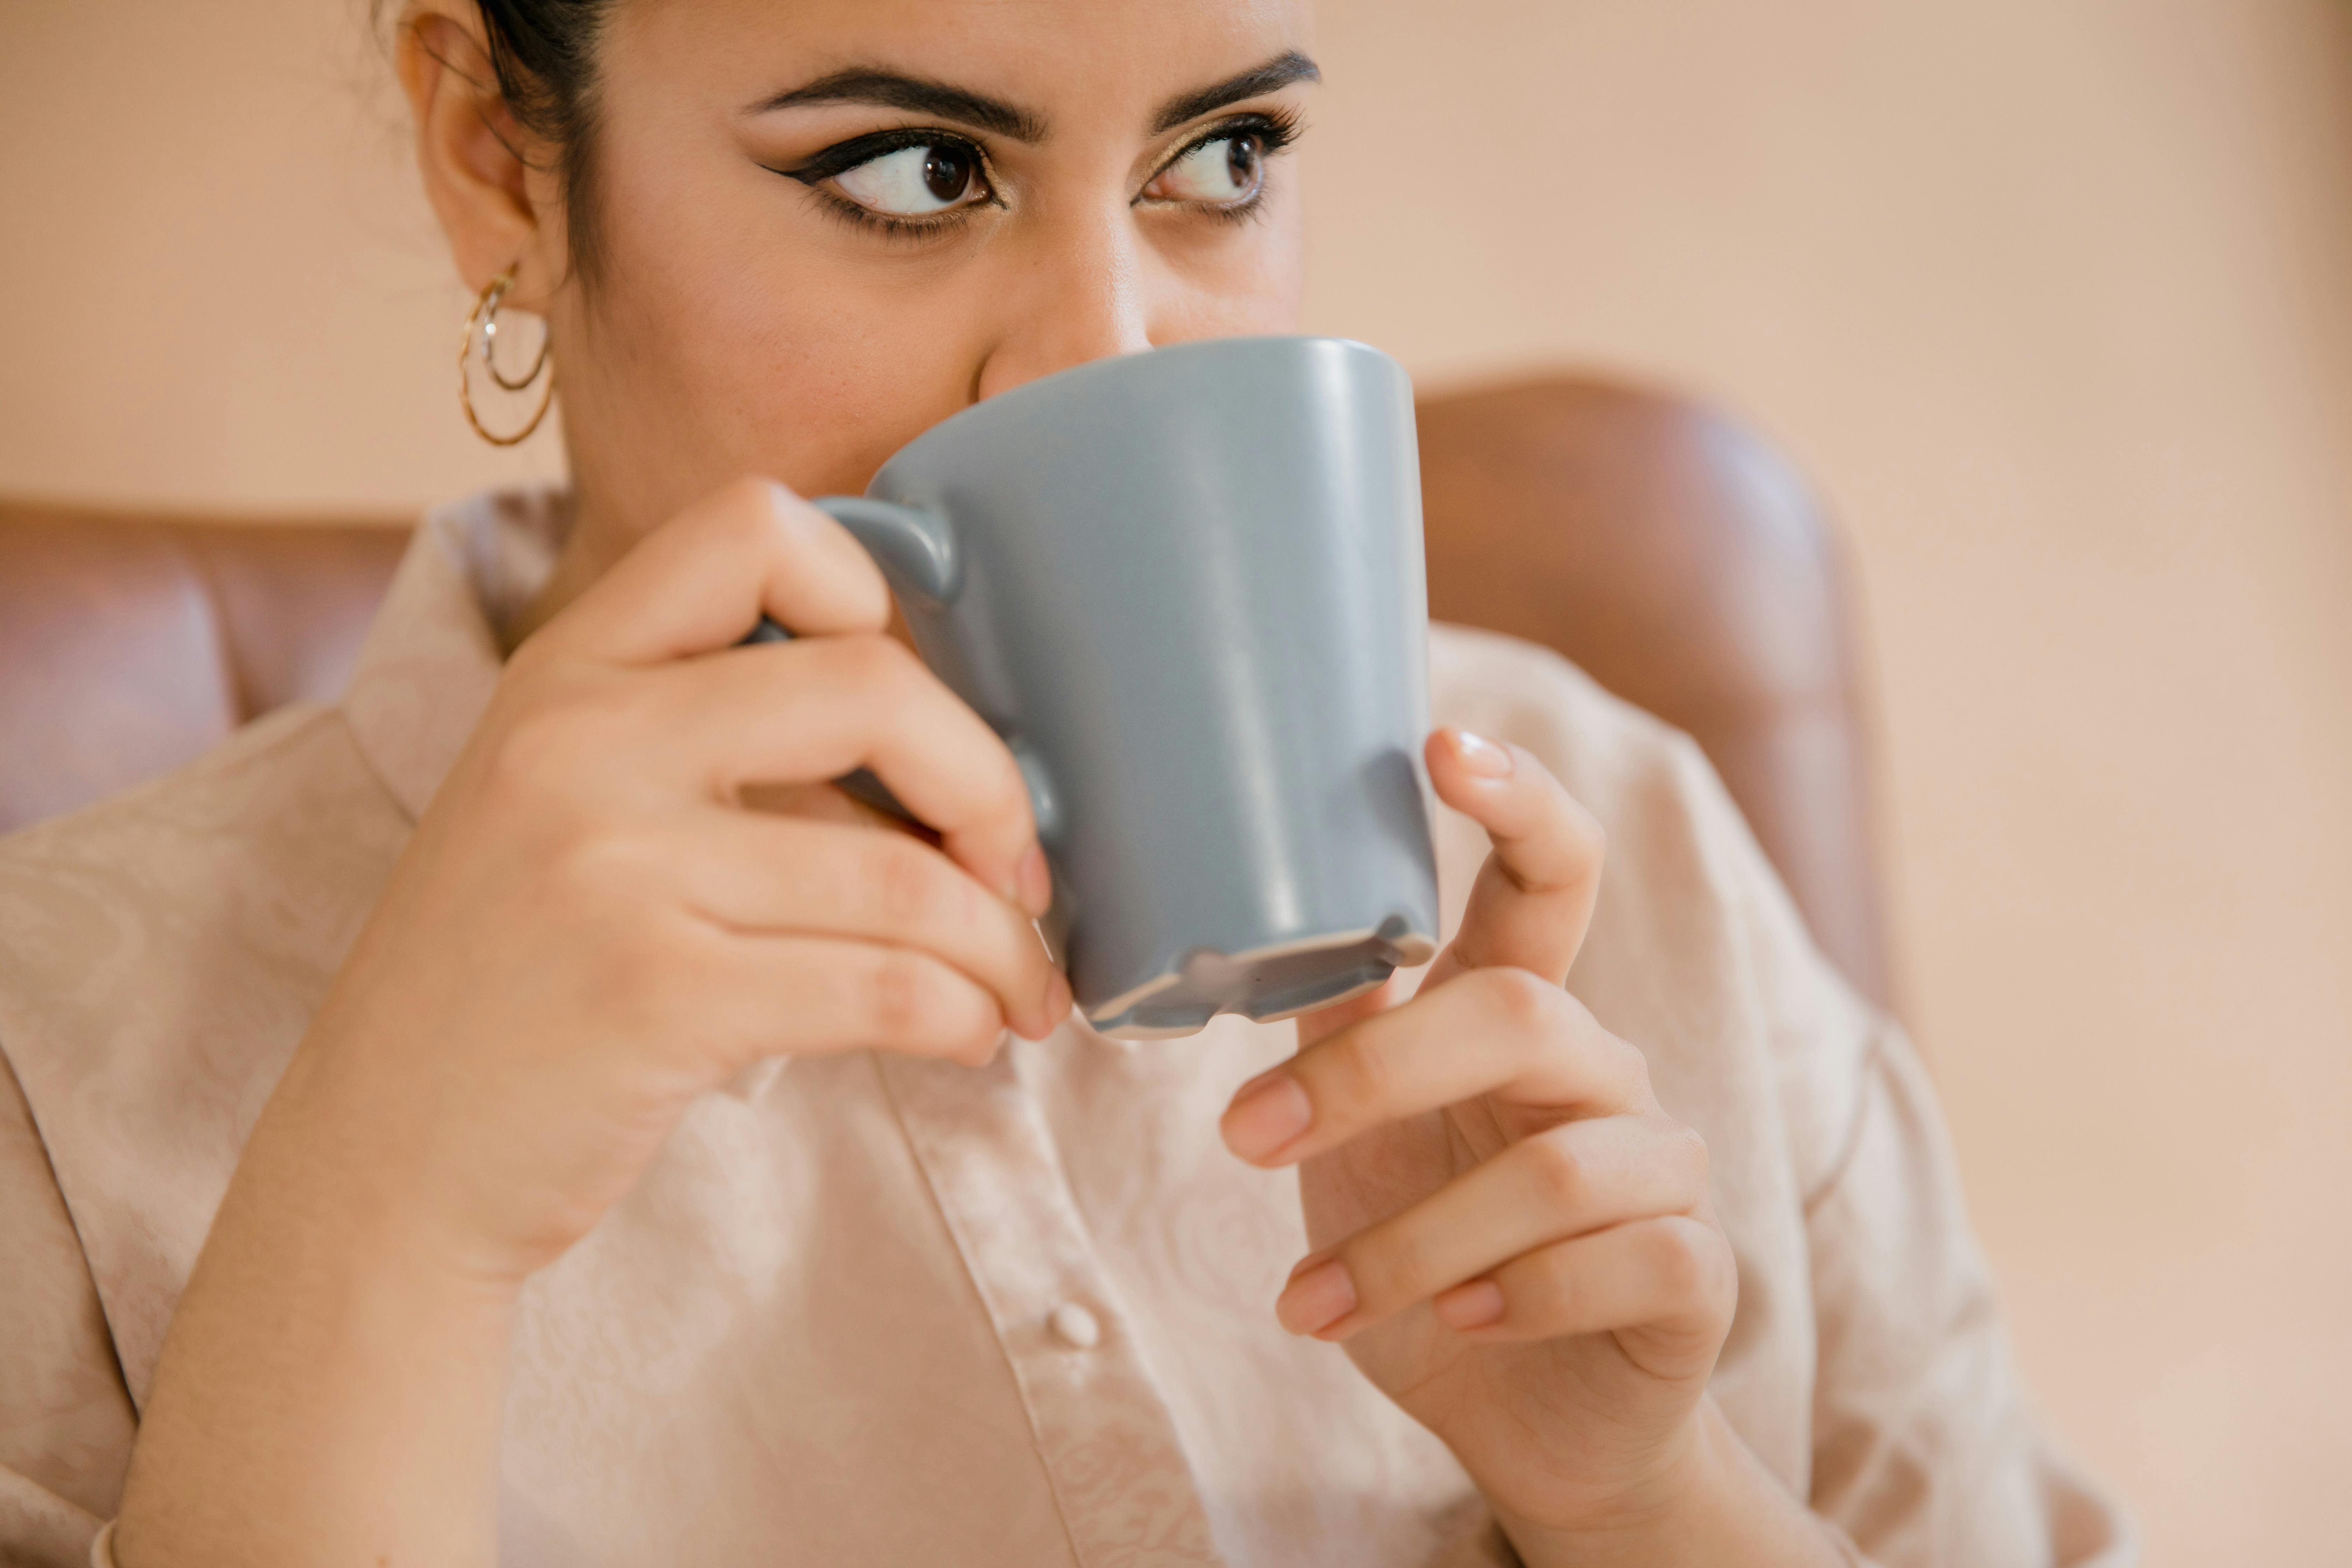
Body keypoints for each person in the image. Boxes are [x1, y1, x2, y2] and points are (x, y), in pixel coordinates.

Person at [0, 2, 2133, 1564]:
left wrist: (1647, 1502)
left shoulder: (1608, 821)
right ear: (498, 157)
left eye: (1221, 163)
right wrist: (384, 1225)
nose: (1109, 353)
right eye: (919, 173)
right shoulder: (61, 1064)